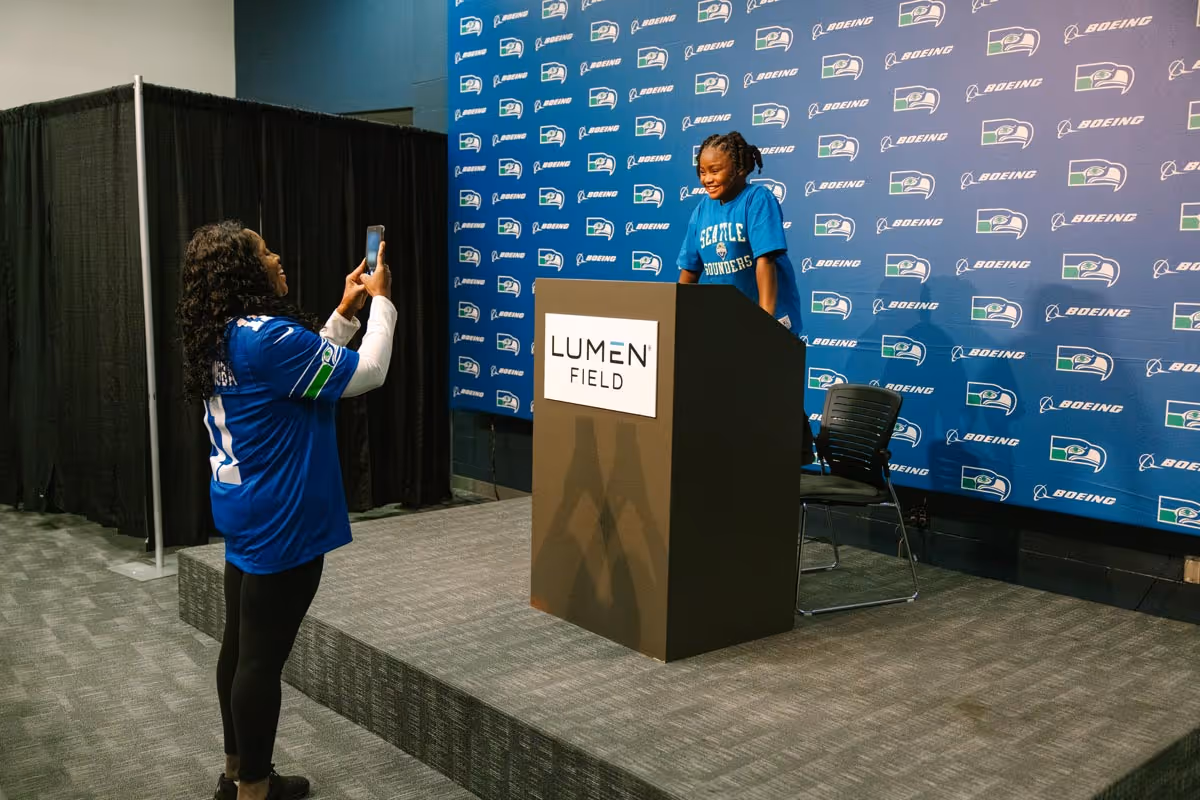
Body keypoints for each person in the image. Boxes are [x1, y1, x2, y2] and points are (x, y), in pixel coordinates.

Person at [178, 221, 397, 800]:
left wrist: (345, 312)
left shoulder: (225, 334)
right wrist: (383, 303)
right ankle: (255, 788)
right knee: (260, 662)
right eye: (265, 251)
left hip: (245, 511)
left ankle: (236, 772)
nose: (277, 257)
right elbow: (367, 373)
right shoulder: (267, 339)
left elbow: (303, 369)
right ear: (245, 271)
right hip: (284, 519)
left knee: (240, 646)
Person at [677, 131, 804, 335]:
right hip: (728, 322)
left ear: (739, 169)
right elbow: (690, 271)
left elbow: (766, 261)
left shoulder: (757, 199)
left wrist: (765, 324)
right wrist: (677, 317)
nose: (707, 179)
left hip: (771, 320)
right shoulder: (701, 210)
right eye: (702, 172)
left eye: (715, 171)